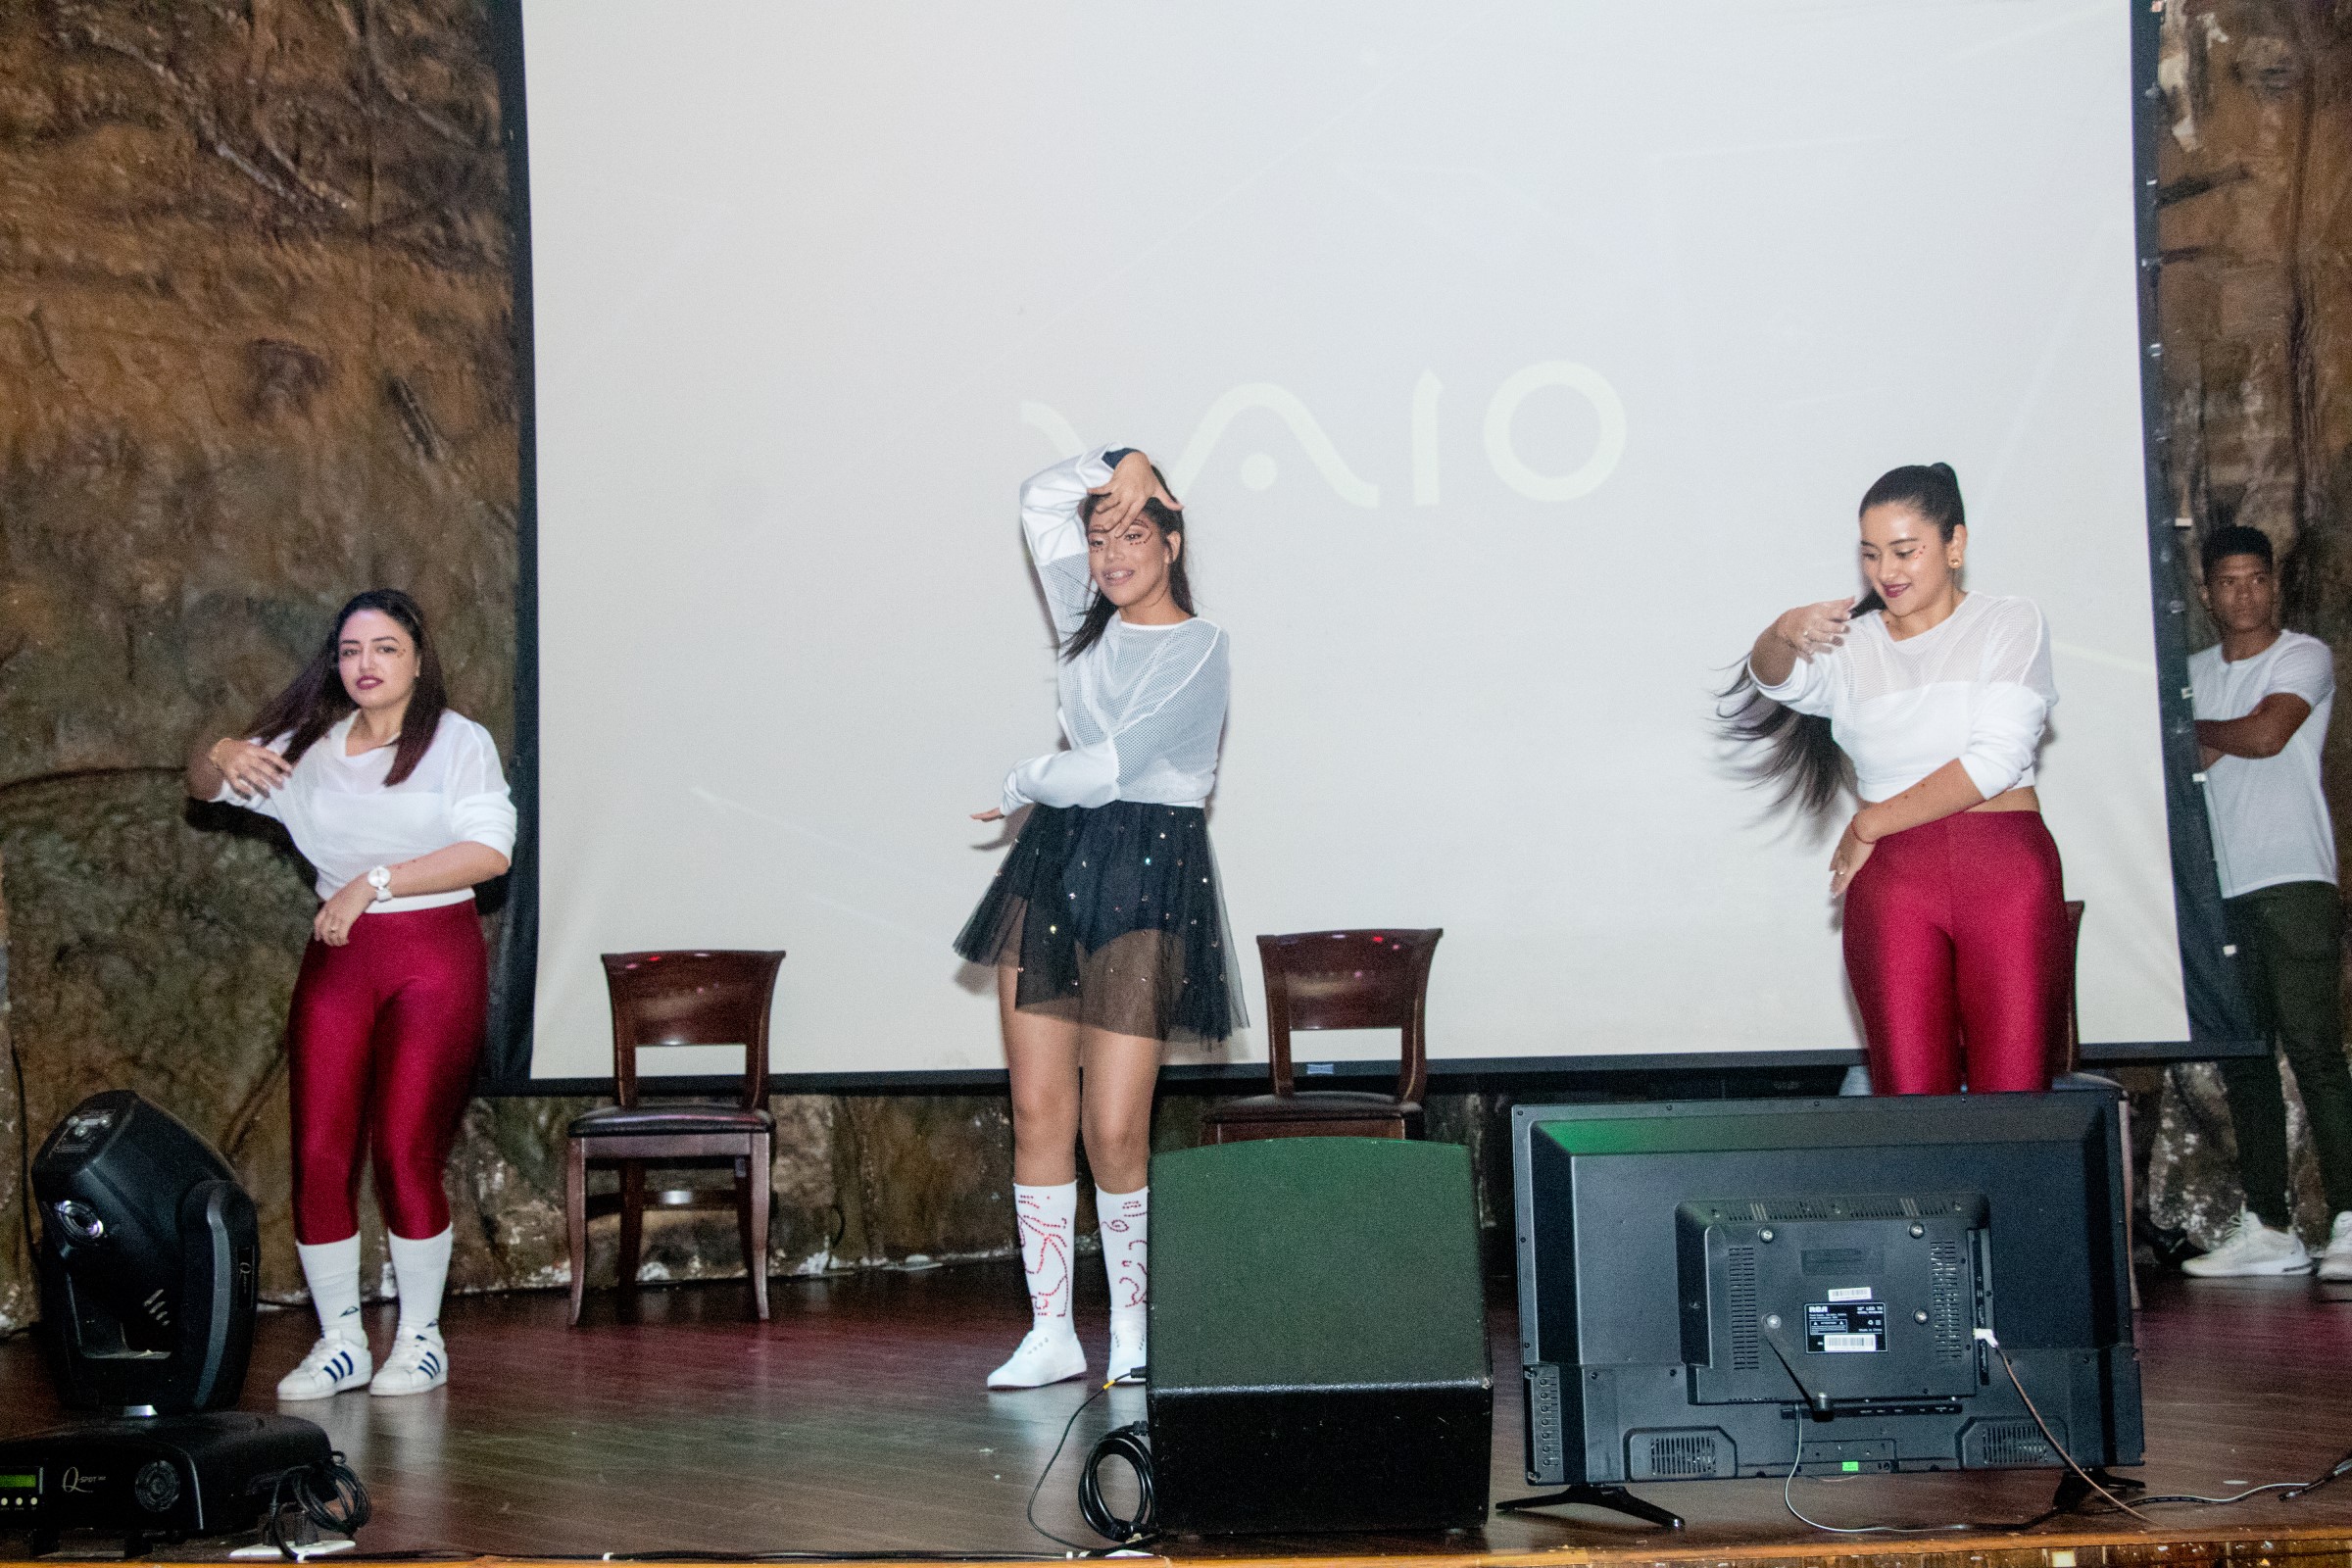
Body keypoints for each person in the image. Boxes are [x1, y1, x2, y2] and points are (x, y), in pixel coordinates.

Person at [955, 446, 1237, 1390]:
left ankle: (1133, 1330)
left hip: (1148, 874)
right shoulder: (1087, 617)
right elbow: (1038, 497)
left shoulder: (1200, 647)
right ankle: (1051, 1333)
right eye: (1101, 539)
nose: (1111, 556)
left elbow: (1103, 771)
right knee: (1039, 1108)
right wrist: (1122, 463)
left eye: (1133, 536)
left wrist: (1020, 777)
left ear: (1172, 544)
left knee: (1115, 1126)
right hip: (1055, 867)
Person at [186, 589, 515, 1396]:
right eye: (350, 651)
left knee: (404, 1149)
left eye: (385, 648)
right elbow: (202, 787)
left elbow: (490, 853)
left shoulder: (457, 741)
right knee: (321, 1153)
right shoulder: (311, 747)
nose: (365, 664)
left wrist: (376, 881)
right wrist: (221, 748)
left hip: (432, 958)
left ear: (417, 659)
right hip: (340, 961)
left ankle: (421, 1338)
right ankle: (340, 1342)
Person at [1726, 463, 2065, 1094]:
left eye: (1905, 551)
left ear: (1955, 545)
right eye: (1871, 554)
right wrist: (1781, 631)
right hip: (1895, 883)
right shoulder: (1851, 645)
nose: (1887, 571)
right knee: (1908, 1099)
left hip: (2003, 870)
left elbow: (1995, 761)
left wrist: (1869, 823)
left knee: (2015, 1100)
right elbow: (1776, 679)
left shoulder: (2008, 621)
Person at [2180, 525, 2351, 1281]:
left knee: (2315, 1053)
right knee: (2246, 1059)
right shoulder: (2192, 673)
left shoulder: (2302, 655)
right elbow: (2182, 756)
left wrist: (2193, 732)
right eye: (2229, 581)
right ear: (2207, 592)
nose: (2245, 593)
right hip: (2220, 888)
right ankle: (2269, 1228)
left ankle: (2350, 1218)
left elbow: (2268, 733)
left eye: (2257, 578)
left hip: (2294, 878)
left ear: (2274, 583)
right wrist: (2208, 736)